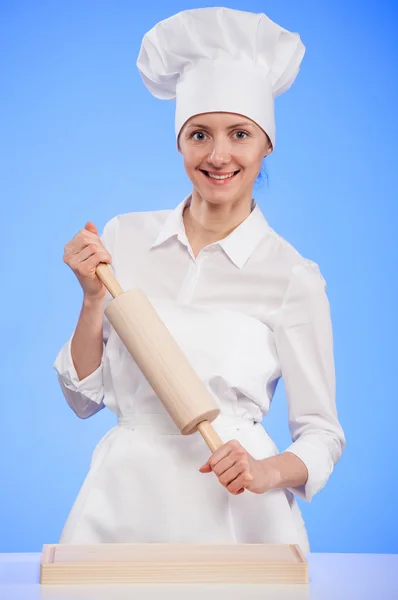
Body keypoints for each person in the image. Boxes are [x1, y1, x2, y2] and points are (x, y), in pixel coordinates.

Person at [54, 7, 346, 554]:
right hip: (122, 504)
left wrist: (265, 471)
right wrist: (93, 299)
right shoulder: (125, 238)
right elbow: (83, 401)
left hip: (235, 516)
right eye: (199, 134)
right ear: (179, 142)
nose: (218, 155)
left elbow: (323, 435)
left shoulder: (292, 276)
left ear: (266, 146)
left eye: (240, 134)